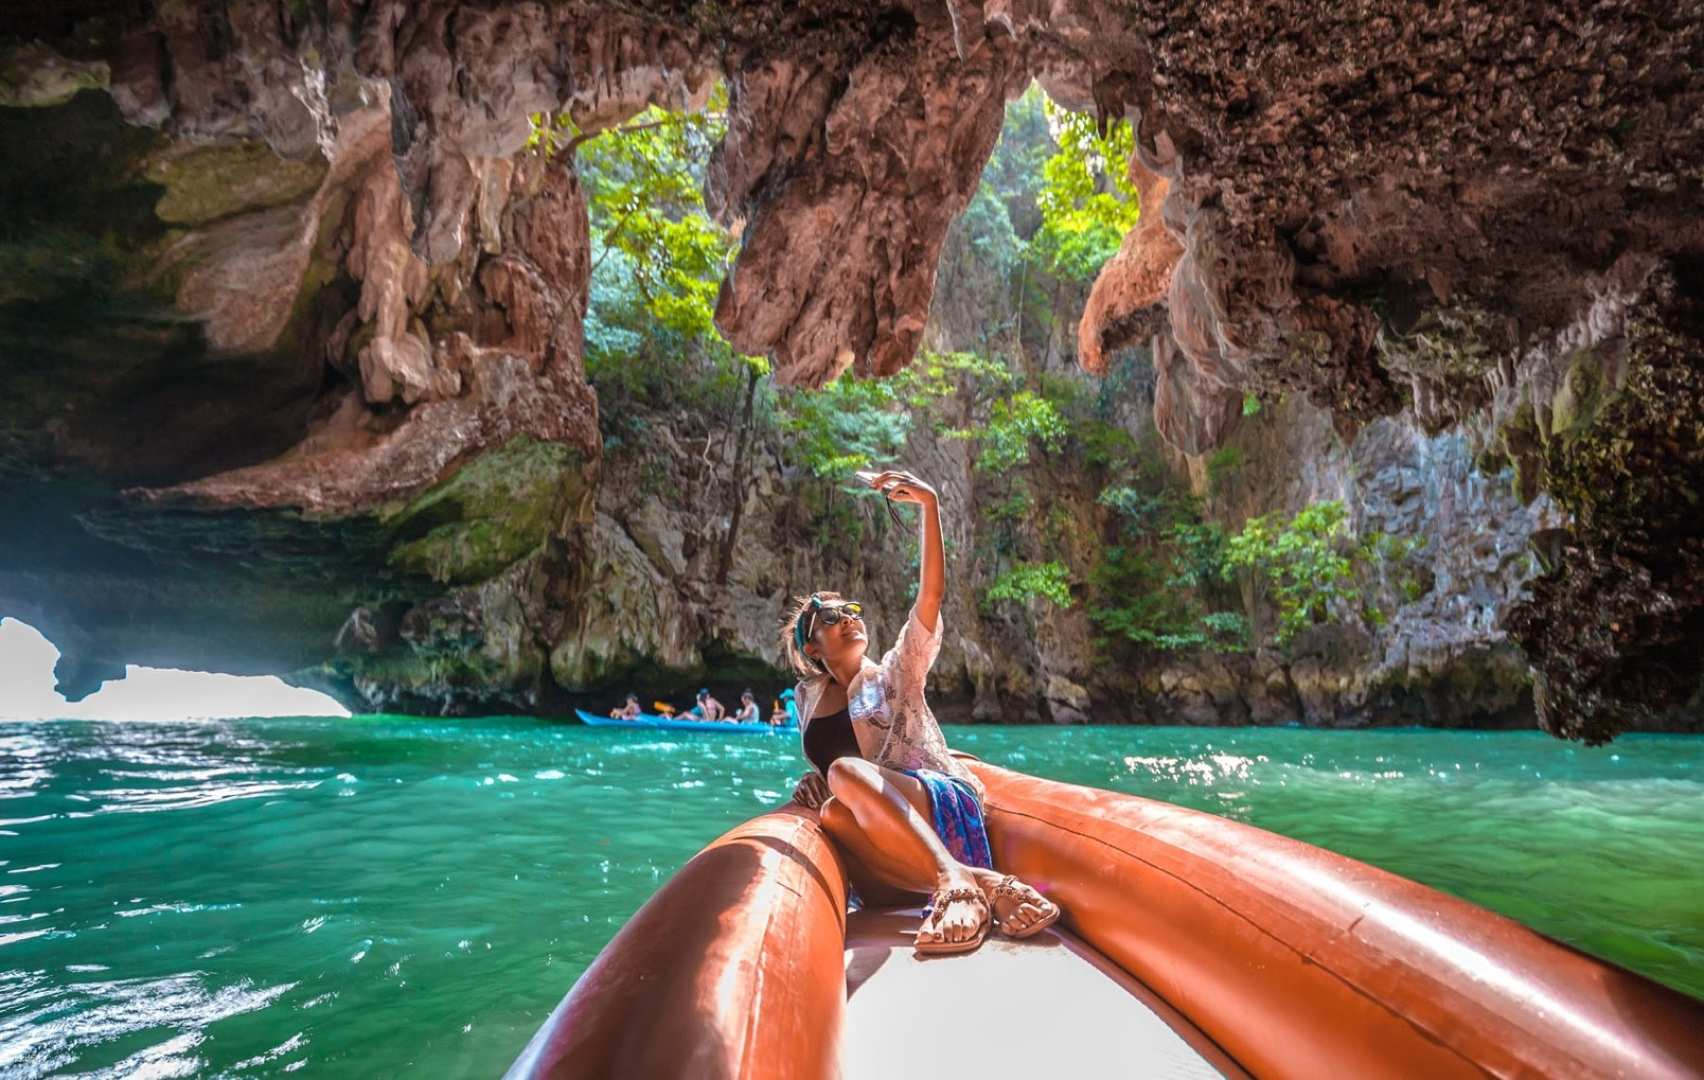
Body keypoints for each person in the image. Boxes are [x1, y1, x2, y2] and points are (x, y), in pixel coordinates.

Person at [782, 468, 1060, 956]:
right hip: (885, 840)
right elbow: (839, 769)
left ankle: (954, 880)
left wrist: (930, 506)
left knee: (846, 772)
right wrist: (816, 778)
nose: (848, 619)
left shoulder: (896, 672)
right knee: (834, 814)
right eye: (830, 617)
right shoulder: (808, 698)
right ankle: (983, 883)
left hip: (936, 800)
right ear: (812, 647)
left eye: (851, 610)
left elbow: (929, 597)